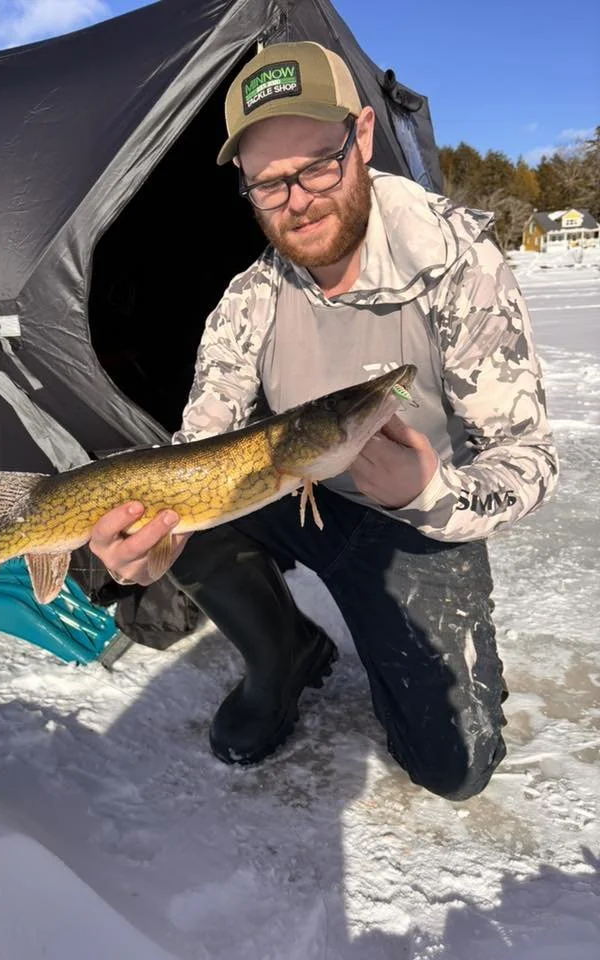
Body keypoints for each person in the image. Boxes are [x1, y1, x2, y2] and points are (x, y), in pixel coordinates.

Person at [89, 42, 558, 801]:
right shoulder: (249, 298)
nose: (297, 199)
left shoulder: (456, 262)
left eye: (317, 165)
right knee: (189, 518)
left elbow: (527, 458)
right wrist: (152, 544)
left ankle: (446, 666)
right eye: (268, 185)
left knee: (453, 769)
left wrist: (429, 492)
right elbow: (200, 447)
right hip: (294, 491)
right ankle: (285, 655)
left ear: (363, 137)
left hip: (420, 516)